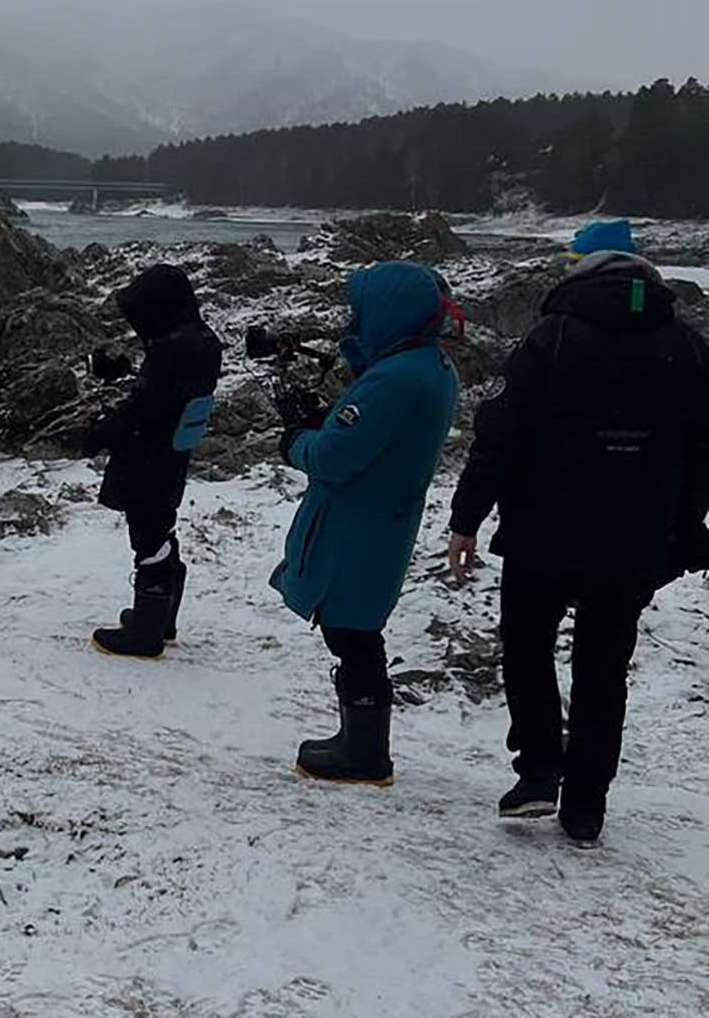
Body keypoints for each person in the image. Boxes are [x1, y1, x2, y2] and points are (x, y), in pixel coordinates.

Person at [446, 220, 709, 842]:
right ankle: (587, 802)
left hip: (545, 532)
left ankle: (538, 770)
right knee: (603, 666)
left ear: (584, 267)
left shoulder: (553, 336)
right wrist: (685, 527)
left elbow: (501, 435)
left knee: (528, 646)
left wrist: (466, 519)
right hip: (637, 540)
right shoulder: (688, 346)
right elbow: (703, 451)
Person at [272, 261, 459, 785]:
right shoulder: (429, 366)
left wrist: (296, 441)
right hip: (384, 516)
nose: (353, 319)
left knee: (351, 632)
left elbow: (336, 457)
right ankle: (361, 741)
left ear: (388, 311)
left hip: (358, 521)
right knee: (357, 628)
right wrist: (329, 417)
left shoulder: (395, 379)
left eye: (361, 310)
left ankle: (364, 751)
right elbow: (370, 434)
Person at [83, 264, 223, 657]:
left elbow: (143, 410)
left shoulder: (171, 351)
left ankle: (146, 634)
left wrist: (97, 435)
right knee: (161, 527)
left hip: (150, 455)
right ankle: (161, 621)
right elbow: (163, 397)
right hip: (172, 453)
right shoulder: (201, 341)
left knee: (147, 536)